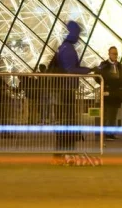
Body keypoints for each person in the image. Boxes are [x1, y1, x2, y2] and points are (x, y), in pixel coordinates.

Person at [54, 21, 93, 155]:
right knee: (68, 118)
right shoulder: (68, 48)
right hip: (67, 87)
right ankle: (66, 150)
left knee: (66, 118)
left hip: (63, 87)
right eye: (77, 33)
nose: (78, 37)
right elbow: (71, 69)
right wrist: (89, 70)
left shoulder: (63, 47)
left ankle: (63, 150)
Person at [97, 47, 122, 139]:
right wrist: (104, 84)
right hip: (107, 92)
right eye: (113, 54)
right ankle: (106, 133)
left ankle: (110, 133)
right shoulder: (104, 64)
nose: (115, 55)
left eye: (116, 54)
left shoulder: (120, 65)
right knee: (107, 114)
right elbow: (97, 75)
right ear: (109, 54)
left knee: (113, 114)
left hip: (116, 93)